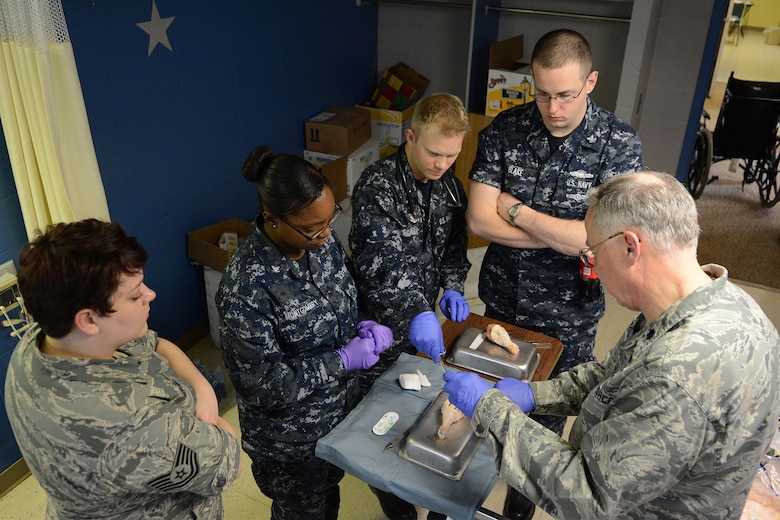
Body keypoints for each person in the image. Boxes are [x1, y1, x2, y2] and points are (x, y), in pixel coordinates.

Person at [443, 171, 780, 519]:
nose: (592, 264)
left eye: (593, 251)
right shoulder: (722, 304)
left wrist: (489, 409)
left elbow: (587, 495)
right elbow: (619, 379)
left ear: (630, 247)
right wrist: (536, 395)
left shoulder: (678, 375)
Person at [466, 29, 643, 519]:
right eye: (541, 93)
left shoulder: (618, 145)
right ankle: (461, 504)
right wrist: (566, 234)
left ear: (591, 82)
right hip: (502, 308)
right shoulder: (504, 130)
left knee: (543, 435)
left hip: (571, 316)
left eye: (565, 94)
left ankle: (517, 514)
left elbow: (595, 240)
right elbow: (480, 220)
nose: (552, 107)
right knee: (485, 419)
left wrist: (518, 212)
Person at [4, 219, 242, 520]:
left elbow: (155, 345)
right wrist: (211, 418)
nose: (150, 294)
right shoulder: (132, 425)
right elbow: (228, 463)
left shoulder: (41, 340)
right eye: (133, 295)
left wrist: (203, 391)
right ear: (89, 320)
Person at [216, 146, 392, 520]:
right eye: (313, 228)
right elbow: (261, 386)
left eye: (330, 220)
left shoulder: (321, 245)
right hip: (290, 444)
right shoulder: (246, 289)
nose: (326, 233)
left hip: (338, 418)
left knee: (329, 501)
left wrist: (363, 322)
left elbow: (345, 293)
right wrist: (341, 360)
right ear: (272, 219)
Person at [349, 93, 471, 520]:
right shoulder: (377, 186)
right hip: (376, 331)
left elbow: (455, 250)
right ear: (410, 137)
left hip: (423, 330)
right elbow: (378, 262)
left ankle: (432, 500)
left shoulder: (451, 187)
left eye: (451, 156)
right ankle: (398, 511)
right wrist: (418, 309)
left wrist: (453, 287)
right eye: (434, 153)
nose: (442, 164)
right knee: (375, 425)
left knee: (420, 413)